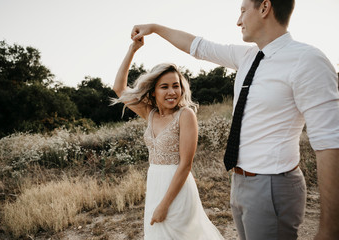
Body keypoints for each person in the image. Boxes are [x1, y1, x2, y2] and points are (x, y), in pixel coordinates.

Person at [130, 0, 339, 239]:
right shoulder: (248, 57)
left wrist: (330, 230)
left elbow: (330, 143)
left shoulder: (307, 60)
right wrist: (155, 28)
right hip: (240, 181)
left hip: (272, 185)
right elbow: (197, 46)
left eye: (242, 11)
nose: (238, 20)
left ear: (264, 8)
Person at [112, 37, 224, 239]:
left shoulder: (185, 115)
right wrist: (132, 49)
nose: (172, 92)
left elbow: (185, 165)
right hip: (155, 184)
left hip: (177, 190)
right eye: (164, 87)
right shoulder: (150, 114)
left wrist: (164, 205)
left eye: (176, 85)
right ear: (153, 92)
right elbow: (119, 88)